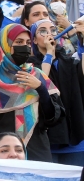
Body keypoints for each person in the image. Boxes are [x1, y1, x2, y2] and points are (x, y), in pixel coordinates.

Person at [0, 24, 64, 162]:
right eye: (19, 42)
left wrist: (40, 89)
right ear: (6, 45)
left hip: (37, 152)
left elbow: (53, 118)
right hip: (3, 156)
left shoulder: (37, 76)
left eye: (28, 43)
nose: (25, 47)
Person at [28, 19, 84, 167]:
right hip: (46, 141)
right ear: (34, 39)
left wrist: (82, 40)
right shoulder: (29, 64)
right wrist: (49, 54)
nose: (49, 34)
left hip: (75, 141)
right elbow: (42, 83)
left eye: (53, 30)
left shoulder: (68, 61)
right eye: (43, 31)